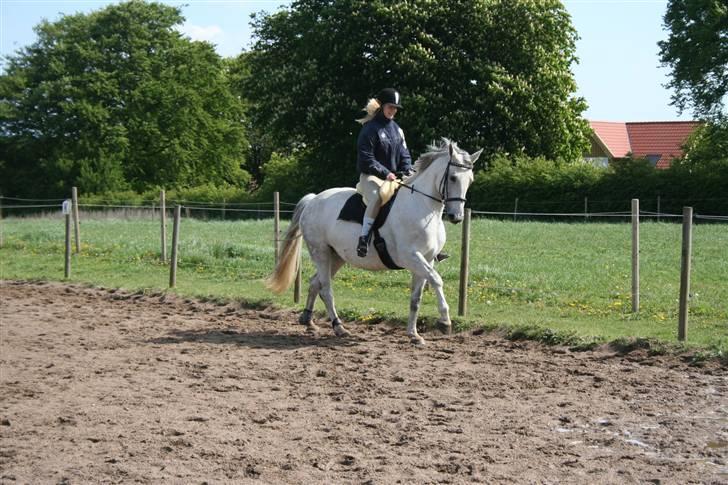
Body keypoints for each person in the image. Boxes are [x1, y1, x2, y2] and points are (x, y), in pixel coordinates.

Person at [355, 88, 413, 257]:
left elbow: (404, 154)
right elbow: (366, 158)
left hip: (393, 178)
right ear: (381, 106)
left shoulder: (398, 129)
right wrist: (385, 172)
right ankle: (364, 238)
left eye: (395, 108)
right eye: (390, 106)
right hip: (371, 176)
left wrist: (407, 169)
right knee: (377, 197)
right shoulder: (369, 129)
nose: (393, 110)